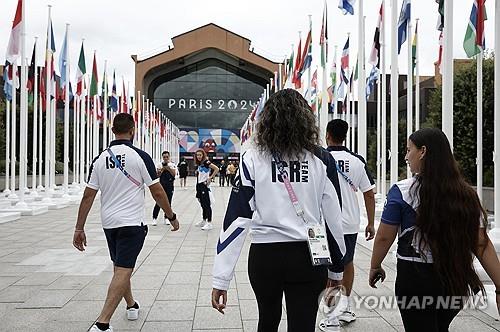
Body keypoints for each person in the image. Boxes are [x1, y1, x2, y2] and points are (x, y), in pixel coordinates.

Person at [211, 89, 346, 332]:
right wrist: (337, 269)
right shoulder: (322, 159)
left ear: (267, 120)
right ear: (306, 120)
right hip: (309, 255)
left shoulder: (252, 158)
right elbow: (335, 220)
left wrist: (221, 277)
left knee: (267, 320)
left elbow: (236, 219)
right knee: (303, 325)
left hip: (265, 256)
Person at [369, 128, 500, 332]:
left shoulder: (402, 191)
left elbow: (385, 237)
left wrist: (375, 265)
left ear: (423, 151)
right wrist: (499, 286)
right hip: (454, 278)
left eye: (408, 150)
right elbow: (481, 244)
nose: (405, 157)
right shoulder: (466, 195)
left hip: (415, 277)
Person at [72, 113, 180, 332]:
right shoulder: (139, 156)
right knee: (123, 269)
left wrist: (79, 227)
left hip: (109, 223)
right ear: (133, 130)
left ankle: (131, 304)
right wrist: (171, 216)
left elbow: (88, 196)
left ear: (113, 131)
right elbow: (157, 192)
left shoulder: (100, 158)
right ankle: (102, 324)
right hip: (132, 223)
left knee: (120, 266)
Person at [319, 119, 376, 331]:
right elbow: (369, 194)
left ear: (327, 134)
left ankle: (332, 317)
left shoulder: (319, 158)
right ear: (345, 135)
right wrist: (370, 222)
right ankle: (345, 307)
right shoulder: (357, 160)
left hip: (324, 223)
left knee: (329, 270)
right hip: (350, 223)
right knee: (347, 263)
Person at [193, 149, 219, 230]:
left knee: (207, 204)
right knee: (202, 204)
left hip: (204, 185)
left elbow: (216, 169)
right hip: (199, 185)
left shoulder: (206, 162)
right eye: (197, 155)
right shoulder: (199, 163)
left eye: (200, 155)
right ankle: (204, 220)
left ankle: (209, 222)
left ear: (203, 155)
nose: (199, 156)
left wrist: (210, 178)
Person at [152, 151, 177, 226]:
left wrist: (168, 168)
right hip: (162, 185)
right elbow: (157, 175)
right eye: (164, 157)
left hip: (170, 185)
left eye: (167, 157)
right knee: (158, 202)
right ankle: (154, 218)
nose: (166, 158)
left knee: (168, 202)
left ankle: (166, 218)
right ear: (162, 157)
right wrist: (162, 169)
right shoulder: (159, 165)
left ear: (169, 157)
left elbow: (174, 174)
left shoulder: (172, 165)